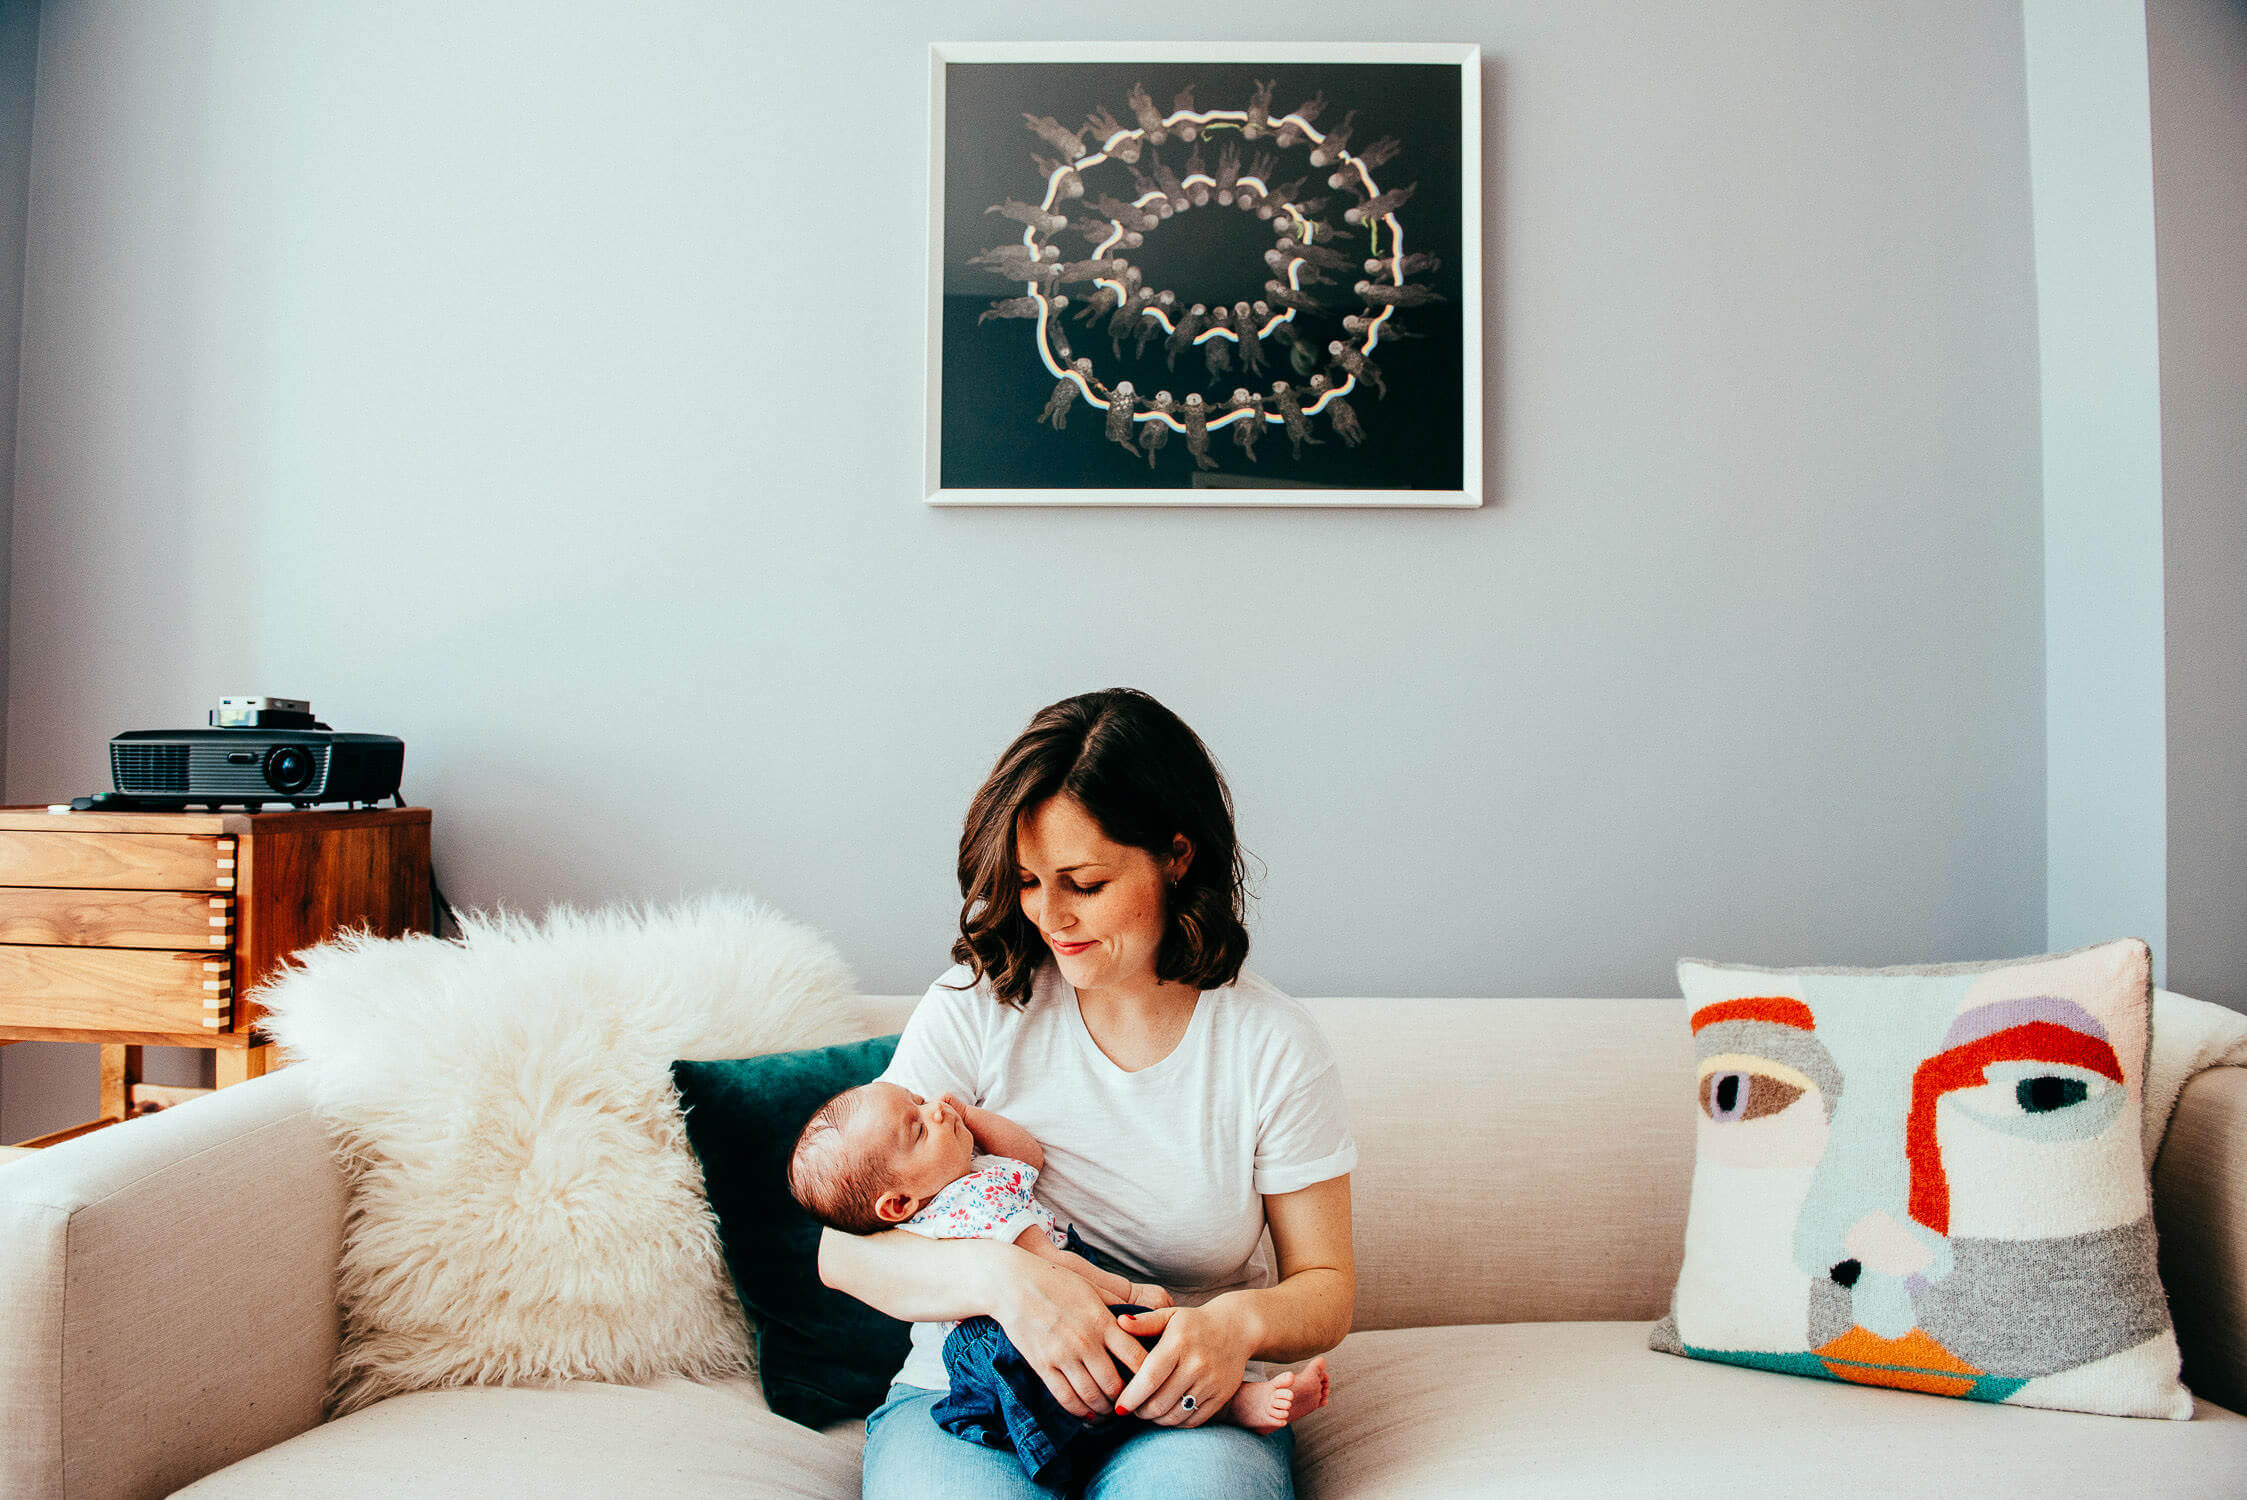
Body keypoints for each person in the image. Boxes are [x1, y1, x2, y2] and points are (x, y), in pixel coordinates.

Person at [820, 688, 1356, 1499]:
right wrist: (1010, 1283)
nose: (1048, 916)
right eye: (1030, 880)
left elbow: (1325, 1282)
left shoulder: (1269, 1043)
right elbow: (842, 1248)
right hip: (968, 1400)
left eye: (1084, 882)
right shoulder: (979, 1004)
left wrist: (1232, 1324)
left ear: (1176, 857)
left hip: (1174, 1400)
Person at [789, 1079, 1330, 1487]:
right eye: (918, 1126)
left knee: (1147, 1370)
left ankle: (1213, 1399)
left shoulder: (973, 1175)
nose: (933, 1108)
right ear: (896, 1204)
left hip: (1028, 1348)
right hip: (1003, 1347)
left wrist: (968, 1117)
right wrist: (1127, 1290)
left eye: (920, 1100)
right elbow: (1050, 1270)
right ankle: (1235, 1403)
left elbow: (1027, 1155)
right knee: (1130, 1345)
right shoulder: (961, 1214)